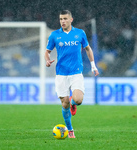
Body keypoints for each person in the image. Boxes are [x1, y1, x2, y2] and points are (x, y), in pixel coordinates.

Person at [45, 10, 99, 138]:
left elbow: (87, 49)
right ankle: (70, 130)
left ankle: (73, 103)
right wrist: (47, 60)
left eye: (65, 18)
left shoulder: (80, 33)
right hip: (61, 74)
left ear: (71, 20)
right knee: (64, 104)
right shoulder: (54, 35)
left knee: (78, 100)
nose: (62, 21)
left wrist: (93, 66)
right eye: (60, 19)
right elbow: (47, 51)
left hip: (76, 73)